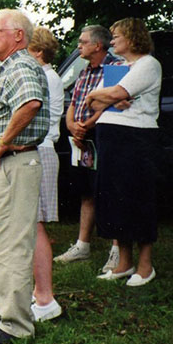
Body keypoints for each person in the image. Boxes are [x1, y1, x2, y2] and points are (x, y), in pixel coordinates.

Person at [0, 9, 49, 344]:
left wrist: (2, 144)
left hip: (13, 163)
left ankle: (15, 326)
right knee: (3, 244)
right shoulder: (14, 66)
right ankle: (13, 312)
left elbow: (30, 103)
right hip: (8, 164)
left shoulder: (20, 64)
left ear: (18, 35)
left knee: (11, 246)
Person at [87, 18, 161, 286]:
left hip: (135, 139)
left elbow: (115, 92)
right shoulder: (118, 67)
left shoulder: (148, 65)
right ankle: (124, 263)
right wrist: (107, 97)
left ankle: (145, 266)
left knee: (137, 198)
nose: (112, 40)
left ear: (131, 37)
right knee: (115, 199)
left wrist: (109, 96)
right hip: (112, 138)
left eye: (117, 35)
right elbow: (91, 99)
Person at [54, 25, 120, 272]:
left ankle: (116, 249)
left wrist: (88, 126)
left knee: (110, 191)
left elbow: (110, 102)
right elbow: (74, 101)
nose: (79, 46)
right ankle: (83, 245)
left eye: (83, 42)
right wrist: (72, 126)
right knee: (86, 191)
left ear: (98, 46)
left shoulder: (113, 68)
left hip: (102, 136)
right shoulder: (84, 71)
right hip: (82, 140)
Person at [27, 27, 65, 321]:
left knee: (35, 225)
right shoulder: (45, 76)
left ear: (38, 52)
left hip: (40, 151)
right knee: (30, 225)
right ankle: (37, 293)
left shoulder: (45, 77)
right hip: (37, 151)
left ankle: (45, 299)